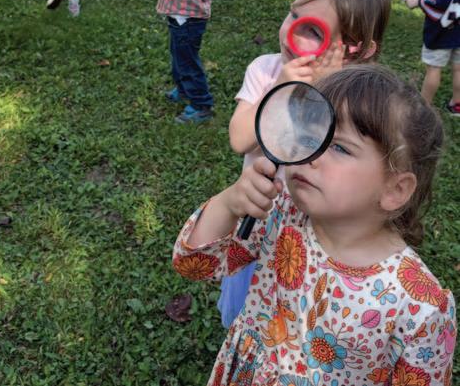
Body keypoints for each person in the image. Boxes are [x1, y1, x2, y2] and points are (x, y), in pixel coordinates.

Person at [172, 64, 456, 385]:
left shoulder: (419, 306)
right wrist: (228, 203)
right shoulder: (281, 214)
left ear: (395, 190)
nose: (311, 153)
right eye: (309, 135)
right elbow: (193, 264)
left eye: (339, 147)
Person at [219, 0, 391, 329]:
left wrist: (323, 92)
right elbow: (239, 139)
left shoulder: (356, 100)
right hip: (258, 218)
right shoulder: (266, 70)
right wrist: (279, 92)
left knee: (294, 317)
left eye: (313, 30)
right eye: (293, 14)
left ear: (357, 50)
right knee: (244, 304)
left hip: (313, 233)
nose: (291, 32)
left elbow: (331, 160)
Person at [148, 0, 219, 124]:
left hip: (187, 17)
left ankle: (201, 105)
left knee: (187, 62)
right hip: (181, 15)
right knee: (179, 57)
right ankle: (184, 90)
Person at [404, 0, 460, 115]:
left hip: (441, 31)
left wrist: (418, 1)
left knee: (434, 69)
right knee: (458, 69)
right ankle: (457, 105)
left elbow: (437, 2)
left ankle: (423, 109)